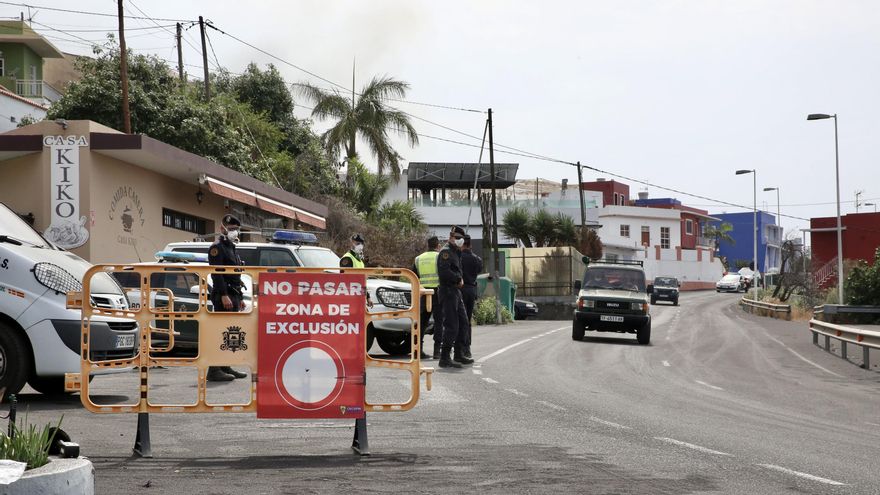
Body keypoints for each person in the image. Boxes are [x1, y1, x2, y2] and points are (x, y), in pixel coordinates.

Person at [206, 214, 248, 382]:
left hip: (234, 294)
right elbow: (218, 274)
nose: (234, 232)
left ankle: (225, 365)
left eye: (236, 229)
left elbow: (235, 275)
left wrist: (241, 297)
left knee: (229, 332)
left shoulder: (231, 247)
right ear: (221, 228)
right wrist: (224, 295)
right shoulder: (217, 247)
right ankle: (214, 370)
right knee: (221, 332)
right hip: (223, 295)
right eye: (231, 229)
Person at [436, 226, 474, 368]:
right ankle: (444, 357)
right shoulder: (446, 252)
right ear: (451, 237)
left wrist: (459, 279)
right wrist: (458, 279)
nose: (459, 241)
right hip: (448, 291)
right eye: (456, 238)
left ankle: (459, 354)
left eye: (461, 239)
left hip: (456, 292)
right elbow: (444, 272)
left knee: (463, 323)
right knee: (451, 325)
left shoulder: (456, 252)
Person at [413, 236, 441, 360]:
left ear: (427, 245)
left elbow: (413, 276)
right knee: (439, 322)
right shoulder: (439, 256)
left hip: (423, 293)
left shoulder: (418, 258)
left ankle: (418, 351)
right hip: (438, 292)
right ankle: (437, 351)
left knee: (422, 323)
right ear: (438, 245)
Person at [459, 235, 483, 360]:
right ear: (471, 245)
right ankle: (467, 348)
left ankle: (459, 347)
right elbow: (479, 270)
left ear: (462, 244)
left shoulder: (458, 257)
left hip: (460, 289)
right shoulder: (477, 259)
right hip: (471, 290)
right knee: (467, 320)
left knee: (457, 319)